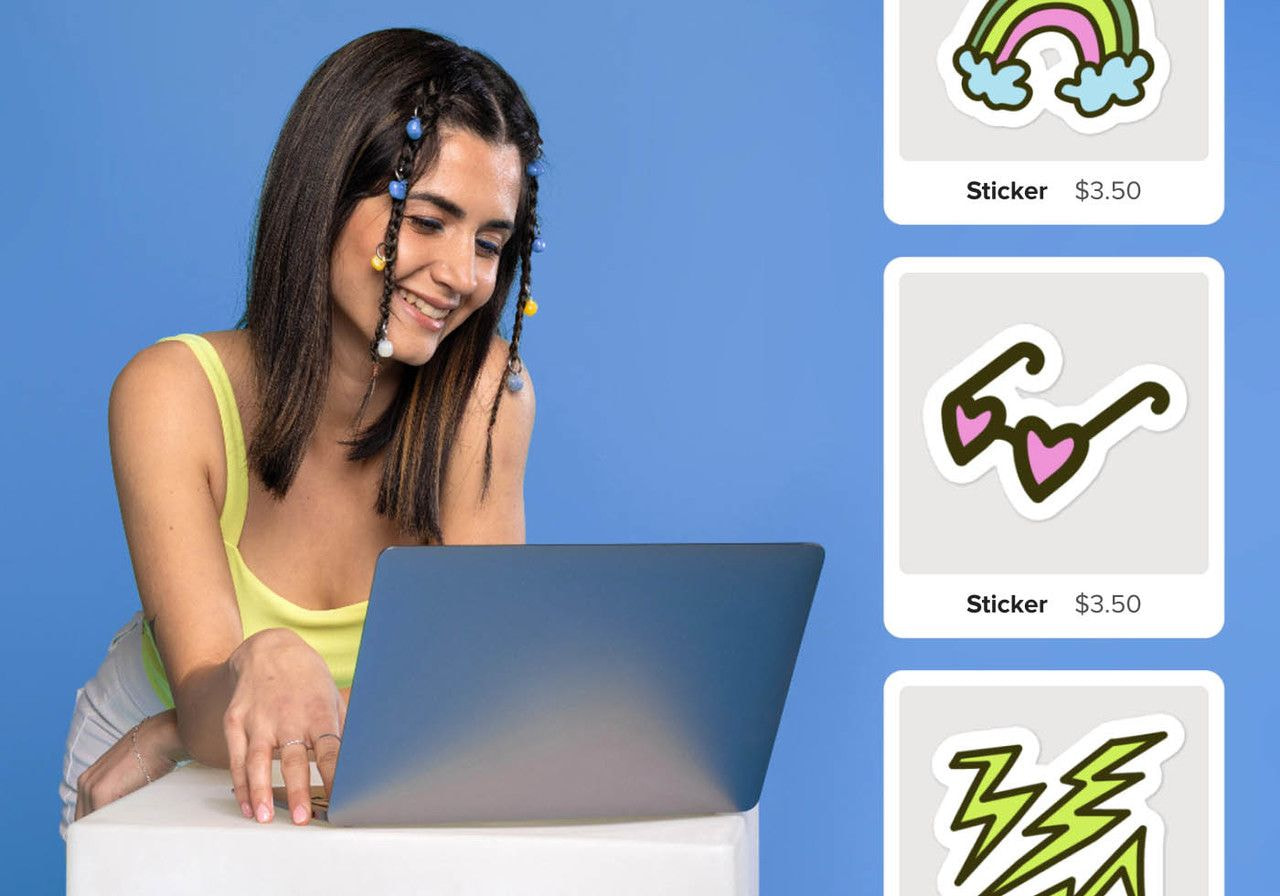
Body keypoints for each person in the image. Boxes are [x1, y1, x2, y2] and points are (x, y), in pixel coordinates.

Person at [59, 28, 544, 837]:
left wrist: (180, 729)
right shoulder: (172, 394)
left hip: (337, 761)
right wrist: (238, 679)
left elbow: (473, 700)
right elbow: (207, 696)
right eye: (428, 221)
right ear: (326, 196)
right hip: (157, 777)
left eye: (489, 243)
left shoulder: (487, 399)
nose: (462, 275)